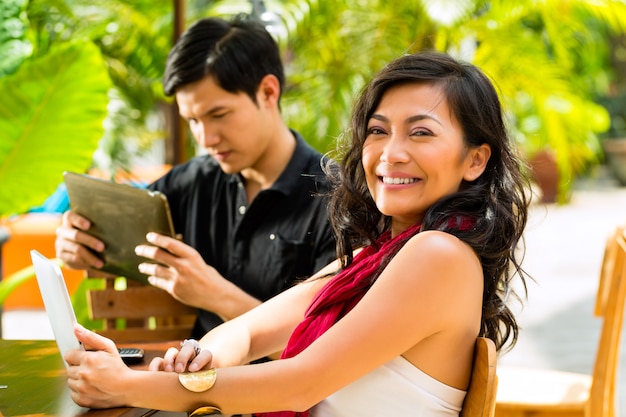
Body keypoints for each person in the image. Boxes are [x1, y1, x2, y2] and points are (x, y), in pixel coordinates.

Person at [65, 50, 532, 416]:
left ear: (476, 159)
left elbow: (301, 382)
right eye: (378, 131)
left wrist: (130, 384)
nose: (390, 153)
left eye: (421, 133)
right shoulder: (382, 253)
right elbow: (249, 332)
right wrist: (195, 360)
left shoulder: (438, 256)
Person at [54, 14, 336, 337]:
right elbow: (109, 225)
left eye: (218, 115)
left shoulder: (334, 199)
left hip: (288, 385)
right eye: (193, 120)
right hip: (193, 381)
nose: (205, 138)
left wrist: (216, 295)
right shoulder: (192, 183)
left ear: (269, 92)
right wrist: (75, 241)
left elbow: (323, 347)